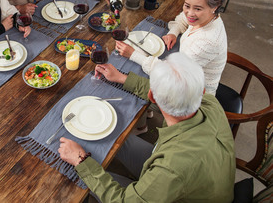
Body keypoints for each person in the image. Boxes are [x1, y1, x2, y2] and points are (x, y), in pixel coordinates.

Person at [58, 53, 235, 202]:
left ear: (152, 96)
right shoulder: (210, 102)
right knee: (112, 136)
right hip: (193, 180)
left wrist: (80, 160)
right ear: (201, 91)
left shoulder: (170, 167)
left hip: (173, 184)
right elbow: (171, 99)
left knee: (77, 180)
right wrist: (122, 78)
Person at [116, 0, 228, 96]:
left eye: (197, 9)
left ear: (215, 6)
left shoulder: (207, 42)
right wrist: (174, 33)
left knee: (126, 82)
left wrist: (133, 54)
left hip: (191, 95)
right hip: (183, 70)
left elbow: (169, 74)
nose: (190, 13)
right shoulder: (209, 17)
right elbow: (183, 18)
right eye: (187, 6)